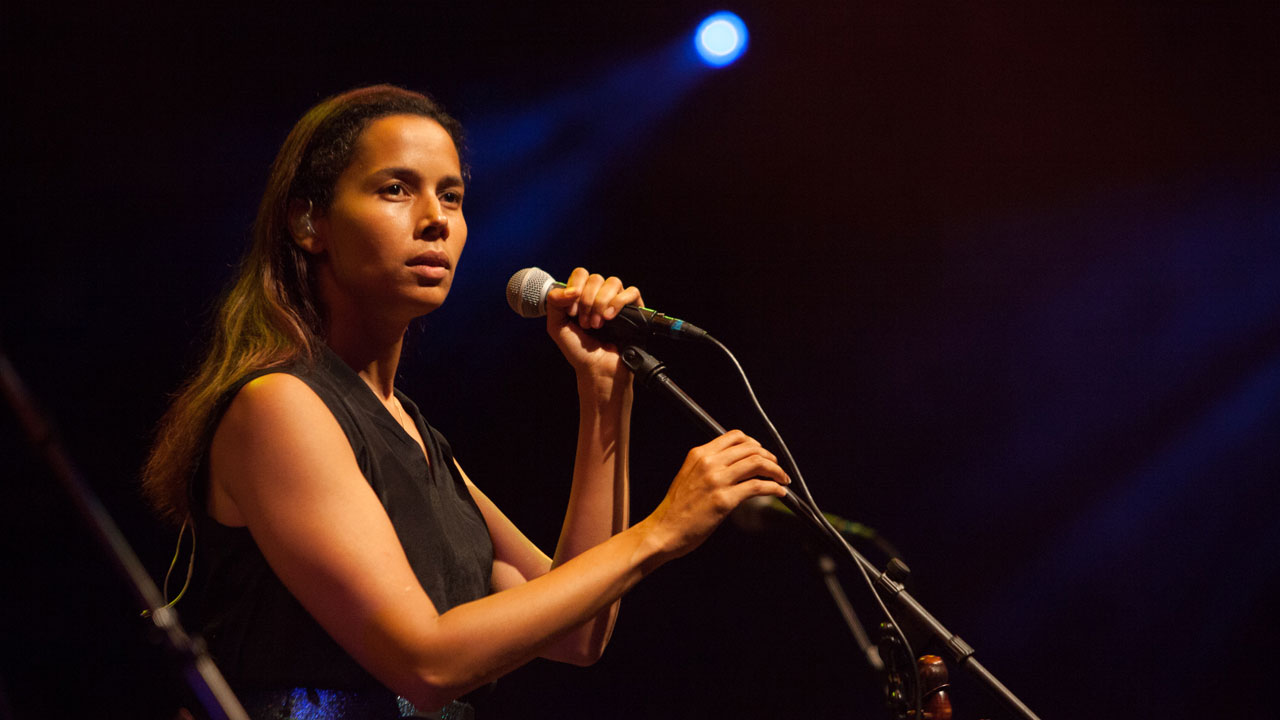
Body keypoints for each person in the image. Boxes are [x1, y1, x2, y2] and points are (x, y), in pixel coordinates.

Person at [142, 85, 789, 719]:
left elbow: (576, 634)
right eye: (396, 189)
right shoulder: (278, 407)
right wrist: (661, 531)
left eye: (451, 195)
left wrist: (602, 393)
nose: (436, 219)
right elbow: (426, 664)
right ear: (308, 222)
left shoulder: (413, 432)